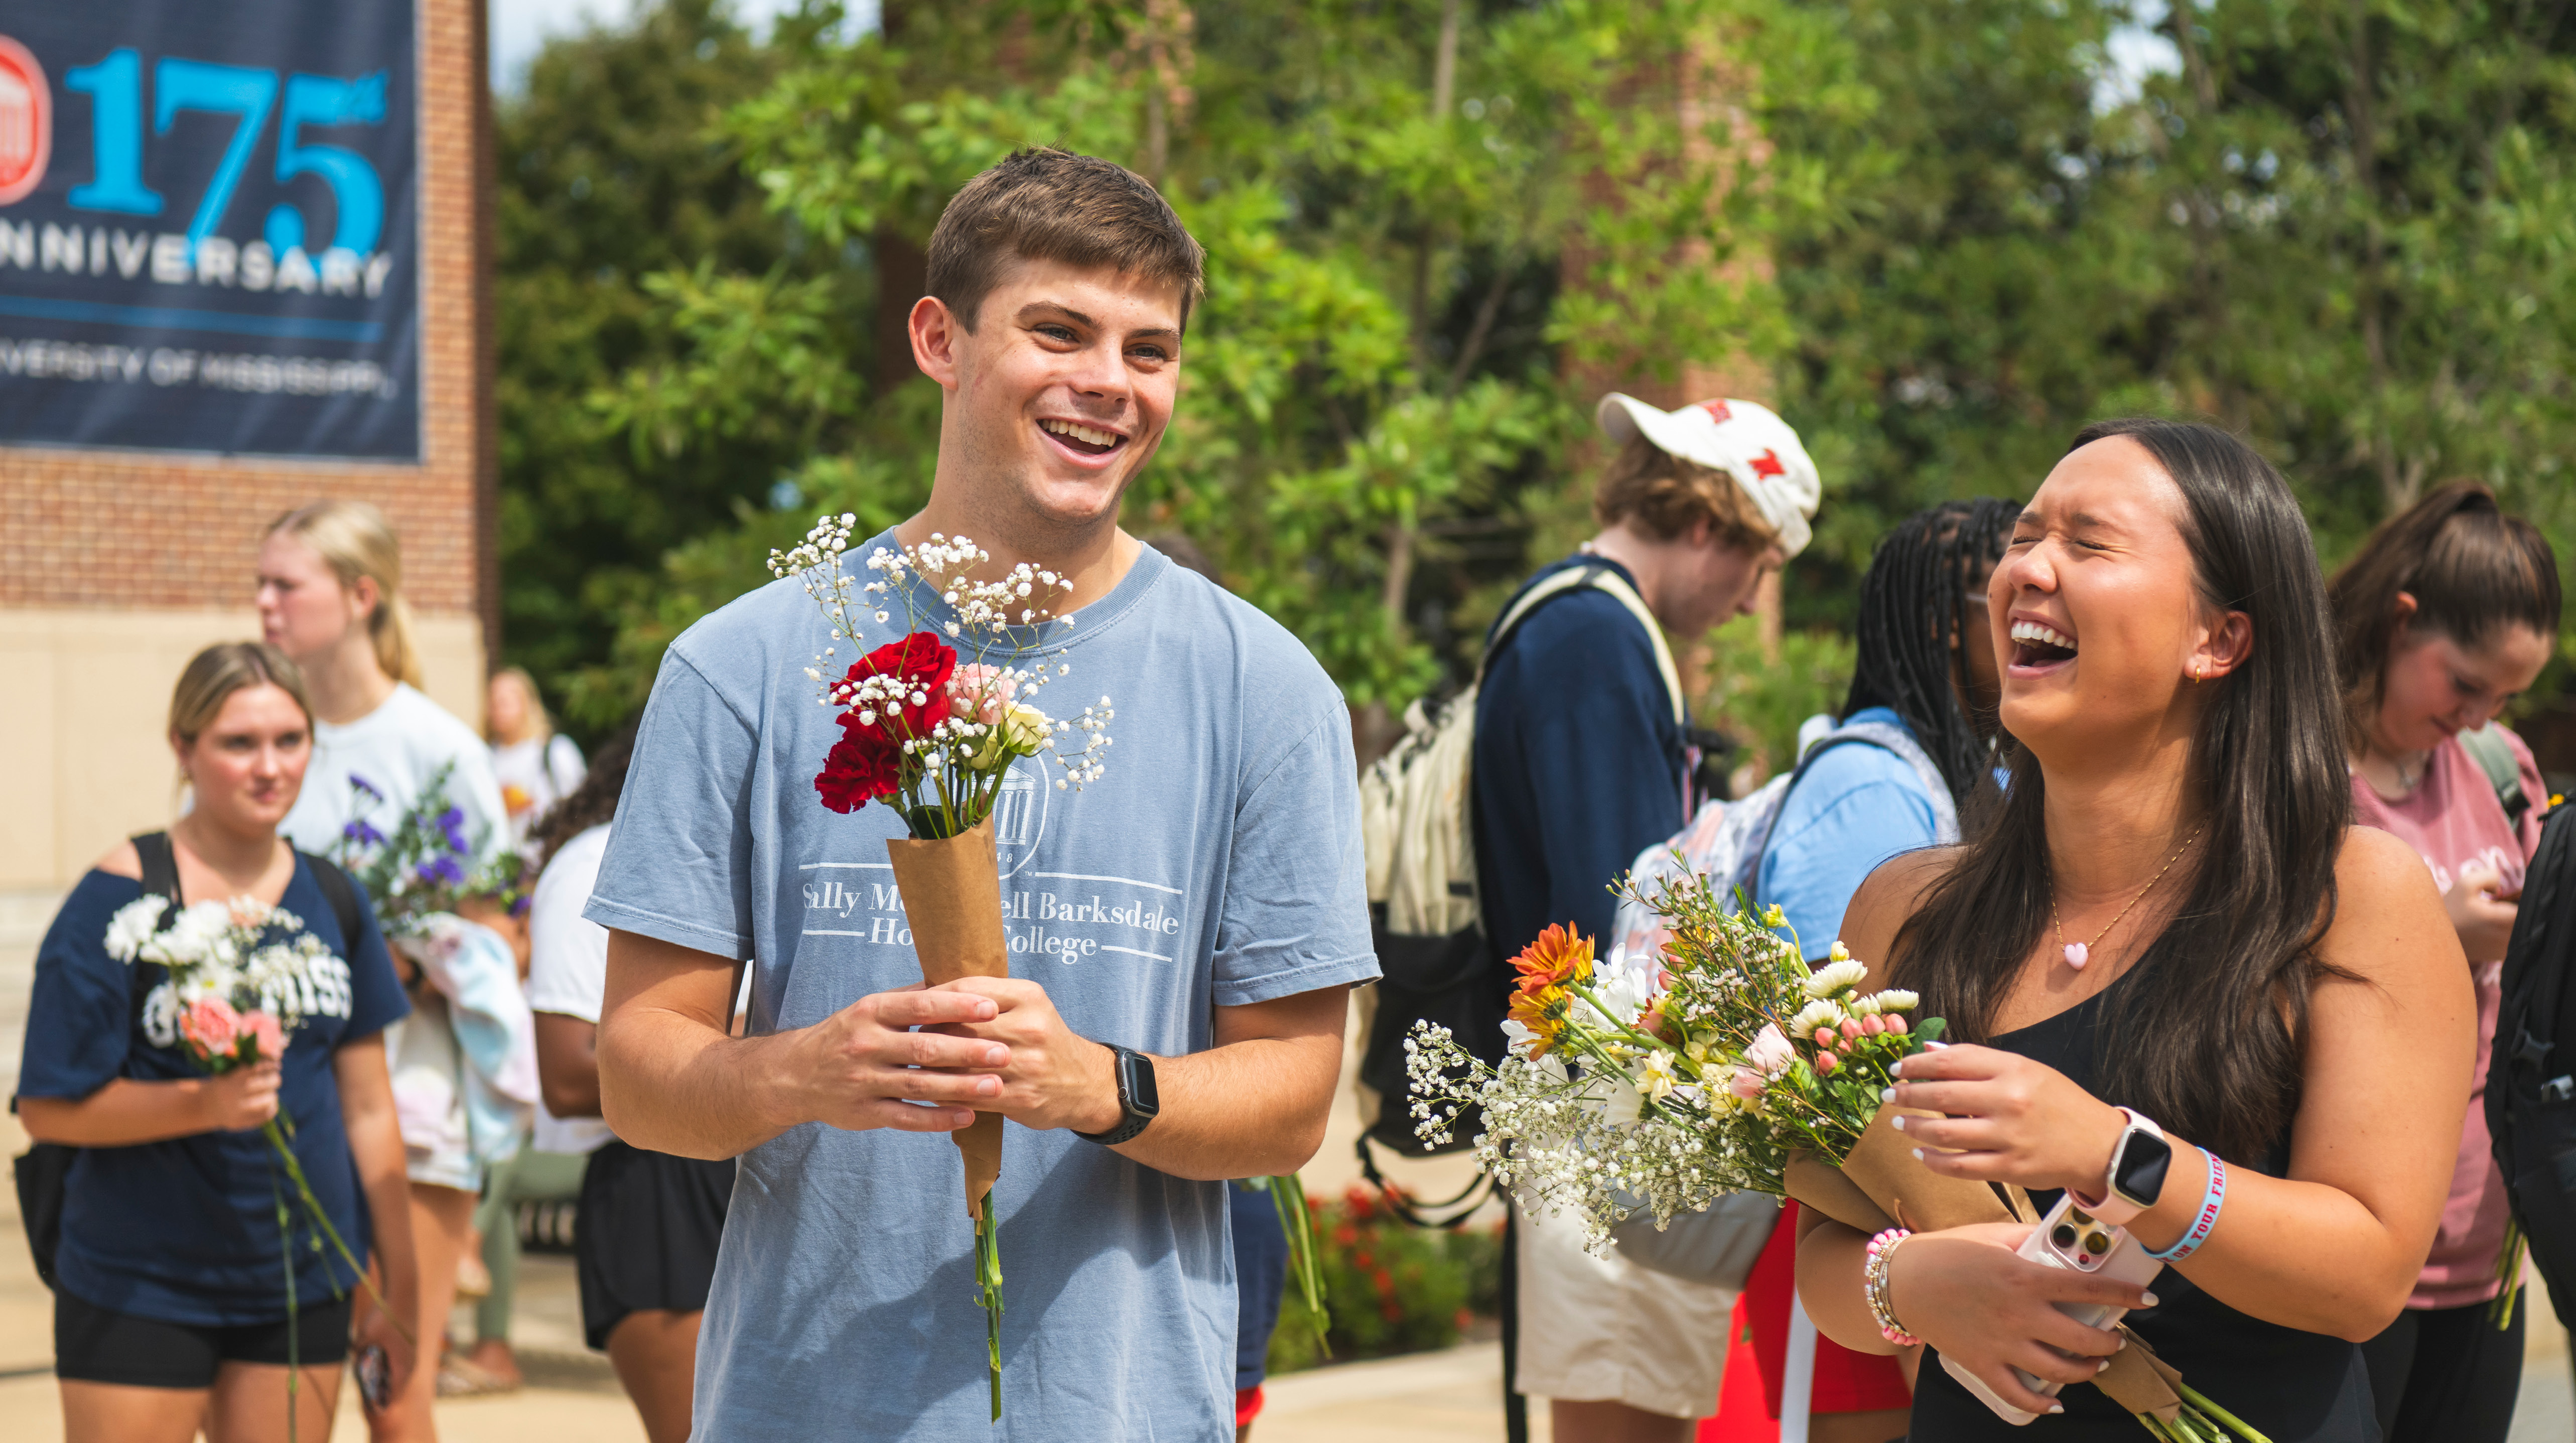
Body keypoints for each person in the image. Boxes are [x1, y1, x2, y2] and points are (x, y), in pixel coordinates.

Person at [586, 147, 1377, 1439]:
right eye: (1058, 331)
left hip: (1128, 1409)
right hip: (800, 1405)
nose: (1108, 384)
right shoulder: (743, 663)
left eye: (1149, 350)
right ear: (939, 338)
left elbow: (1292, 1094)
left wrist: (1097, 1084)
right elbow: (636, 1070)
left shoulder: (1266, 686)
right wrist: (806, 1067)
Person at [1797, 419, 2477, 1441]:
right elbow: (1824, 1253)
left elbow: (2365, 1277)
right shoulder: (1902, 908)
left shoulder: (2347, 896)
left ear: (2219, 639)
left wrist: (2120, 1158)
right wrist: (1912, 1282)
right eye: (2023, 538)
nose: (2027, 568)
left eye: (2086, 541)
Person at [1475, 391, 1822, 1442]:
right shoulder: (1594, 636)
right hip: (1606, 1097)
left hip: (1594, 1092)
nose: (1748, 597)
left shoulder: (1575, 616)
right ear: (1711, 525)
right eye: (1759, 567)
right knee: (1627, 1415)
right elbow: (1621, 909)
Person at [18, 642, 418, 1442]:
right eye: (240, 743)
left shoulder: (331, 895)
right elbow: (49, 1109)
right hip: (140, 1282)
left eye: (290, 740)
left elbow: (369, 1106)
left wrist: (396, 1280)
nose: (270, 767)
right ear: (183, 748)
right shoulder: (120, 899)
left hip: (301, 1281)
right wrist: (205, 1102)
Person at [1720, 498, 2020, 1443]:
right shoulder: (1871, 785)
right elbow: (1835, 1054)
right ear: (1940, 622)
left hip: (1946, 1233)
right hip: (1863, 1227)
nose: (2029, 606)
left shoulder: (1972, 769)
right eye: (1998, 590)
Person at [259, 498, 525, 1440]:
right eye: (260, 584)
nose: (263, 604)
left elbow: (498, 925)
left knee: (391, 1390)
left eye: (285, 584)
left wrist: (404, 965)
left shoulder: (437, 748)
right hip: (275, 1101)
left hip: (407, 1097)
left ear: (361, 595)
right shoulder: (259, 736)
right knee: (279, 1394)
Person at [2326, 482, 2559, 1443]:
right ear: (2398, 619)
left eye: (2503, 698)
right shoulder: (2293, 772)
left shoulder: (2500, 768)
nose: (2476, 718)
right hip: (2347, 1257)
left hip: (2485, 1250)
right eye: (2462, 685)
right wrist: (2434, 934)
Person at [518, 723, 729, 1443]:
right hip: (655, 1184)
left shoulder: (721, 857)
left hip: (733, 1170)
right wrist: (761, 1058)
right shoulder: (591, 863)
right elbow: (568, 1071)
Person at [485, 667, 586, 848]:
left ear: (527, 704)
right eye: (493, 703)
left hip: (547, 857)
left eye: (505, 702)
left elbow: (579, 806)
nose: (498, 708)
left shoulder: (554, 751)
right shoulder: (486, 757)